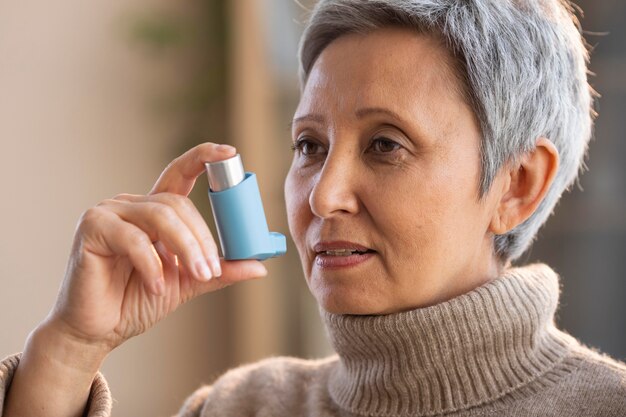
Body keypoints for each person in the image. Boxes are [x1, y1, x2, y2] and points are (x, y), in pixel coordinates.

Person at [2, 0, 625, 416]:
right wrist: (69, 352)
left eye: (385, 144)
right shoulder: (238, 408)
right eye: (309, 146)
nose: (322, 195)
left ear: (518, 184)